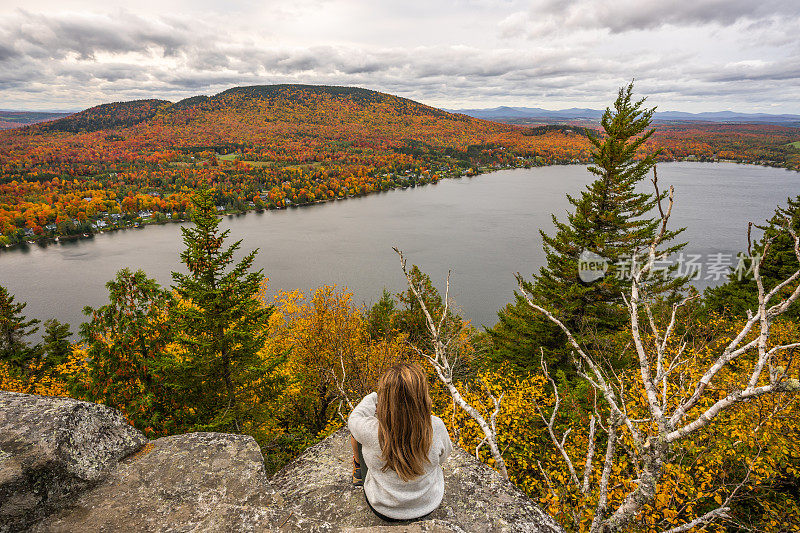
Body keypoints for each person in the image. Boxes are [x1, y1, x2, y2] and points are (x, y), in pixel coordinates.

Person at [348, 362, 454, 522]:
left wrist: (375, 396)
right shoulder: (436, 426)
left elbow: (354, 418)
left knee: (356, 437)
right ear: (423, 398)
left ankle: (358, 471)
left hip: (382, 508)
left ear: (385, 400)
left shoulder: (371, 430)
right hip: (427, 505)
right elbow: (443, 456)